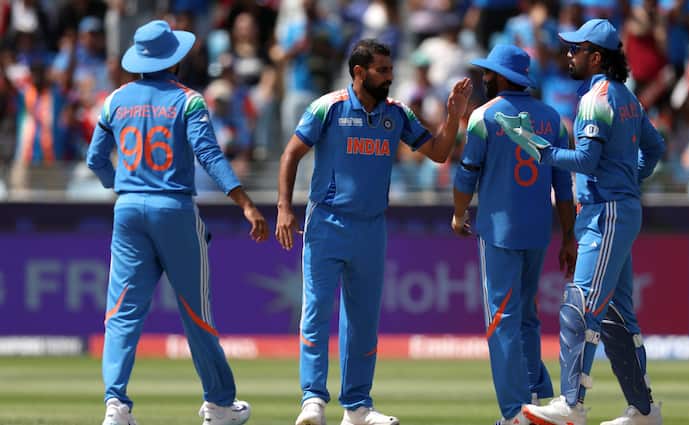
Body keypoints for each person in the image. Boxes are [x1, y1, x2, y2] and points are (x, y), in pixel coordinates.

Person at [275, 38, 472, 425]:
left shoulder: (396, 113)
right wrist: (284, 207)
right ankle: (312, 401)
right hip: (327, 223)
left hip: (371, 227)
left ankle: (357, 407)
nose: (389, 77)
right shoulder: (328, 107)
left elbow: (438, 152)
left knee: (363, 320)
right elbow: (291, 153)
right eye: (381, 71)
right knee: (316, 312)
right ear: (359, 72)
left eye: (390, 70)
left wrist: (453, 116)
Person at [86, 20, 269, 425]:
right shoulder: (189, 101)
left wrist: (122, 185)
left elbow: (95, 159)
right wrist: (244, 203)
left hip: (128, 210)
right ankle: (219, 406)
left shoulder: (114, 100)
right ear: (174, 60)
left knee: (121, 313)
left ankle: (115, 406)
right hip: (174, 209)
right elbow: (209, 155)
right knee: (196, 312)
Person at [509, 19, 666, 425]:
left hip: (606, 211)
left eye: (575, 49)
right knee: (615, 316)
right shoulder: (626, 97)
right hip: (614, 209)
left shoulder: (597, 98)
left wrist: (539, 149)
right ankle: (644, 411)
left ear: (596, 57)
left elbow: (586, 160)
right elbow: (655, 146)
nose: (568, 55)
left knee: (579, 306)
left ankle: (571, 405)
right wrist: (630, 179)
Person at [451, 44, 576, 425]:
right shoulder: (553, 119)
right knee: (526, 317)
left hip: (499, 232)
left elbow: (466, 174)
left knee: (501, 320)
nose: (484, 78)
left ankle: (513, 412)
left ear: (501, 77)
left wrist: (458, 215)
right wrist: (568, 237)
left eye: (488, 73)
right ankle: (535, 398)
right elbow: (564, 187)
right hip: (537, 231)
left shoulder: (484, 117)